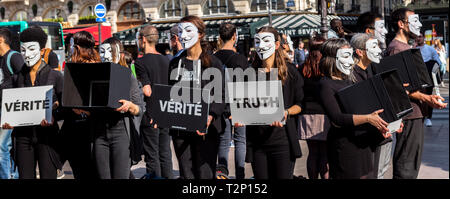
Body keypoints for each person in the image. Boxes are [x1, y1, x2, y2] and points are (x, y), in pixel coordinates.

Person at [318, 38, 397, 179]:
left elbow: (366, 108)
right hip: (344, 146)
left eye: (351, 55)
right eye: (346, 56)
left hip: (362, 143)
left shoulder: (350, 79)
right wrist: (368, 118)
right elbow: (337, 118)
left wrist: (383, 126)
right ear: (332, 58)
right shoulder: (326, 84)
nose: (350, 61)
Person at [236, 26, 304, 179]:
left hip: (282, 142)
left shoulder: (290, 72)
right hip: (258, 143)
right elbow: (245, 106)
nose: (261, 46)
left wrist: (286, 112)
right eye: (257, 42)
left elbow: (300, 104)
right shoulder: (250, 73)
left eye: (266, 40)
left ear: (277, 44)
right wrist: (240, 117)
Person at [387, 8, 447, 179]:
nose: (419, 26)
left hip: (415, 112)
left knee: (411, 164)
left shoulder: (406, 47)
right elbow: (398, 87)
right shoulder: (396, 49)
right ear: (401, 24)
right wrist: (427, 98)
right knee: (406, 165)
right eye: (414, 21)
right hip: (409, 114)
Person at [1, 27, 63, 179]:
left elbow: (66, 106)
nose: (26, 54)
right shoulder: (16, 78)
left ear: (42, 51)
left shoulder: (56, 76)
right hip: (22, 137)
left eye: (31, 49)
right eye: (23, 50)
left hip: (47, 138)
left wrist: (55, 113)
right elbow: (5, 99)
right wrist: (8, 120)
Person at [169, 15, 225, 179]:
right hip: (181, 130)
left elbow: (220, 95)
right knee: (187, 175)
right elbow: (170, 93)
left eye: (188, 30)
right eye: (180, 31)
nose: (183, 35)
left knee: (205, 175)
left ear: (200, 34)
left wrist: (211, 115)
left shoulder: (213, 63)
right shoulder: (175, 63)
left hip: (206, 131)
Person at [93, 37, 144, 179]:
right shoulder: (94, 75)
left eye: (110, 51)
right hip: (99, 135)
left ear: (120, 53)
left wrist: (129, 106)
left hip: (121, 133)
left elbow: (139, 109)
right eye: (102, 51)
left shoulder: (127, 75)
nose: (105, 55)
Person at [350, 33, 394, 179]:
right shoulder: (352, 74)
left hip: (382, 133)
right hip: (366, 138)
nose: (378, 50)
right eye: (373, 46)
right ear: (360, 52)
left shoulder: (372, 69)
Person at [59, 31, 101, 179]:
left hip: (84, 131)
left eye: (71, 46)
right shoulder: (98, 66)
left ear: (75, 47)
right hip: (87, 131)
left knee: (84, 171)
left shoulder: (78, 69)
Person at [134, 25, 174, 179]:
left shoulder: (140, 62)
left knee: (152, 155)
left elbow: (147, 91)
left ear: (143, 39)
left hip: (151, 114)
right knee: (165, 153)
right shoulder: (167, 60)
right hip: (167, 111)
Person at [213, 22, 248, 179]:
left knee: (223, 141)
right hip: (239, 106)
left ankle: (222, 173)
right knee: (240, 141)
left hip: (219, 107)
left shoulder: (212, 58)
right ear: (235, 36)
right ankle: (240, 175)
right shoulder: (240, 59)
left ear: (220, 37)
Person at [298, 36, 330, 179]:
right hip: (324, 114)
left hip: (307, 114)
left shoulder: (303, 68)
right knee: (324, 154)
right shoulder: (327, 68)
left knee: (312, 153)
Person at [0, 28, 23, 179]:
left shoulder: (13, 57)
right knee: (7, 147)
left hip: (10, 109)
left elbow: (24, 80)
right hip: (3, 108)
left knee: (2, 147)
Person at [416, 34, 442, 127]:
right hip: (417, 76)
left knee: (429, 96)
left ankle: (428, 117)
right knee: (418, 97)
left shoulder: (430, 49)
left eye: (420, 36)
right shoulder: (412, 49)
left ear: (423, 37)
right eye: (417, 37)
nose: (418, 38)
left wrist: (433, 73)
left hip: (427, 76)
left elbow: (438, 62)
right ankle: (421, 116)